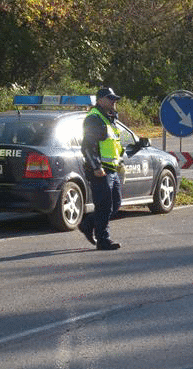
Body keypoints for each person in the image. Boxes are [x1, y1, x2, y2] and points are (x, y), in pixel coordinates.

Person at [79, 87, 124, 250]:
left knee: (115, 204)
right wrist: (96, 166)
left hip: (111, 169)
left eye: (115, 99)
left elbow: (114, 144)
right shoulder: (94, 119)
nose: (114, 101)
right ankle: (103, 240)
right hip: (100, 170)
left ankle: (87, 224)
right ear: (100, 100)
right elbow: (87, 147)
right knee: (104, 206)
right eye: (110, 98)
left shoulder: (109, 118)